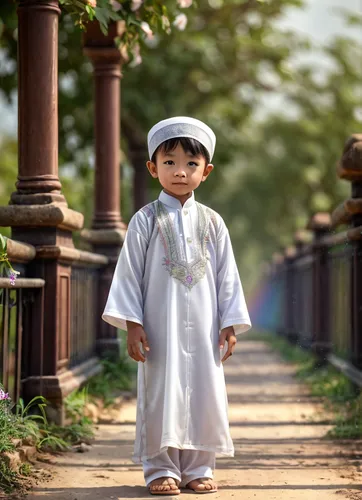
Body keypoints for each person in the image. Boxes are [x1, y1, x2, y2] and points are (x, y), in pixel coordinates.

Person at [102, 116, 251, 496]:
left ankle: (200, 467)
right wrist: (133, 323)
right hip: (158, 326)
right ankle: (160, 469)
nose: (180, 172)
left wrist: (229, 323)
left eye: (190, 163)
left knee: (204, 390)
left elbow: (226, 276)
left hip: (204, 326)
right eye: (169, 162)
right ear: (153, 169)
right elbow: (129, 274)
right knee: (161, 391)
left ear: (207, 171)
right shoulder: (144, 221)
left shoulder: (214, 223)